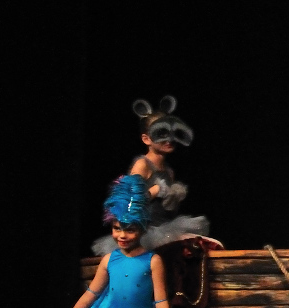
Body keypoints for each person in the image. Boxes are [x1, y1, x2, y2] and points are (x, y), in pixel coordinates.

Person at [38, 175, 179, 308]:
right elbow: (90, 295)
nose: (122, 235)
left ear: (143, 229)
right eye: (117, 228)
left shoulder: (153, 260)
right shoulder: (109, 260)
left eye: (130, 230)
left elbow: (161, 300)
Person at [91, 96, 215, 255]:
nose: (169, 139)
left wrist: (173, 198)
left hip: (166, 229)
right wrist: (154, 191)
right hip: (146, 233)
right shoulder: (142, 165)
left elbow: (166, 211)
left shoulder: (169, 171)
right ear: (146, 139)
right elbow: (127, 203)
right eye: (161, 133)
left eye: (172, 133)